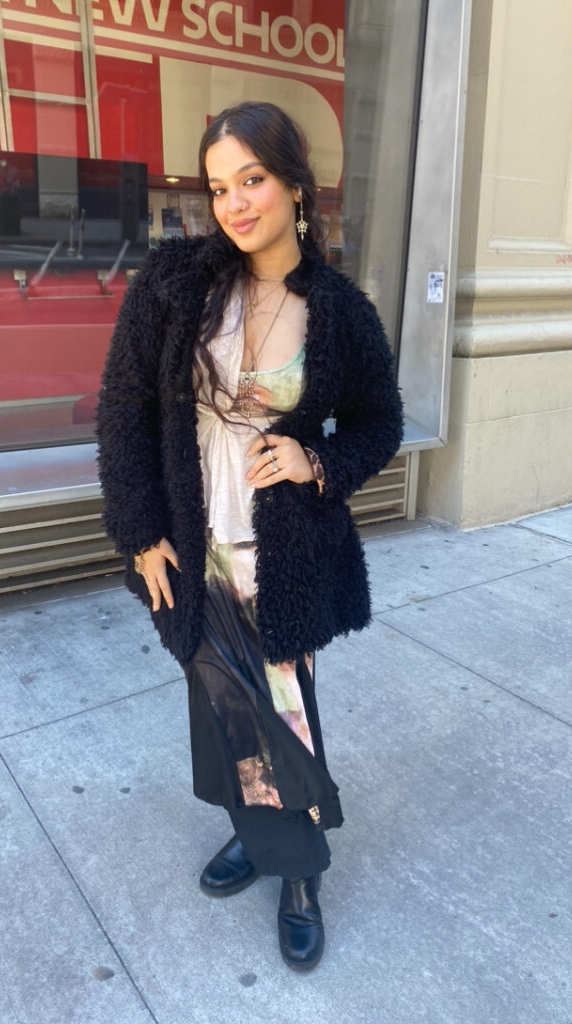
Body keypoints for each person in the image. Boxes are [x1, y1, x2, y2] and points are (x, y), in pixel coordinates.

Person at [96, 101, 404, 971]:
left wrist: (317, 461)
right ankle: (258, 833)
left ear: (296, 187)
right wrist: (139, 530)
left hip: (284, 557)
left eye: (253, 180)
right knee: (224, 708)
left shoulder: (341, 312)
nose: (234, 204)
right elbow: (124, 409)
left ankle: (297, 870)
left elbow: (379, 425)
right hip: (196, 547)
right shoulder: (175, 282)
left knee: (285, 716)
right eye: (220, 186)